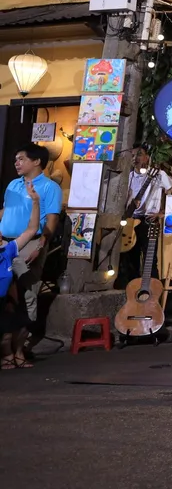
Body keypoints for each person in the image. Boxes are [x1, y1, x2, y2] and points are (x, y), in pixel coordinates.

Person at [1, 144, 63, 323]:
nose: (16, 163)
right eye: (15, 160)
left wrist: (41, 244)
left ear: (37, 161)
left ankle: (22, 345)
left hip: (30, 243)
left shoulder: (50, 187)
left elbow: (52, 219)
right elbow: (6, 211)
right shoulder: (13, 184)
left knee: (27, 292)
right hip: (5, 243)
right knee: (5, 291)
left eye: (21, 159)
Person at [120, 148, 172, 288]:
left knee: (150, 262)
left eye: (139, 155)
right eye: (132, 155)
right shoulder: (127, 176)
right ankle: (132, 296)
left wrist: (163, 213)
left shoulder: (158, 174)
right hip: (130, 221)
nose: (135, 158)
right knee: (130, 261)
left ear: (147, 157)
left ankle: (152, 297)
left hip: (149, 220)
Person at [0, 176, 42, 369]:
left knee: (22, 322)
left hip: (7, 299)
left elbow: (32, 229)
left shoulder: (7, 250)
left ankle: (16, 353)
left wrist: (35, 201)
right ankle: (7, 355)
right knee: (5, 332)